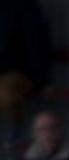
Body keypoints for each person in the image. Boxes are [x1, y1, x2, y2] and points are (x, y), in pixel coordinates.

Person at [0, 1, 51, 143]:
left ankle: (11, 137)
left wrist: (43, 80)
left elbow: (37, 43)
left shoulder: (25, 6)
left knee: (6, 96)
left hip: (15, 71)